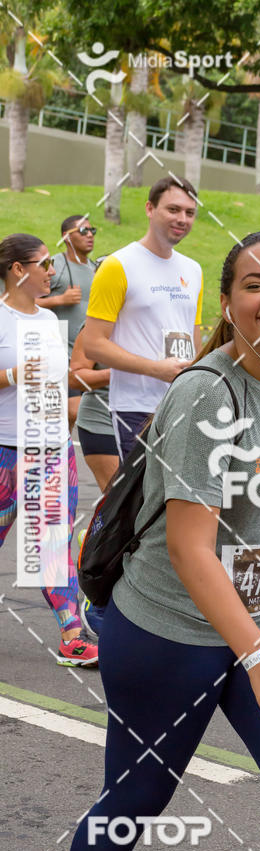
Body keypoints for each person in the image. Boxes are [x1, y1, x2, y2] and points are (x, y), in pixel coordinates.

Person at [62, 232, 260, 851]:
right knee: (132, 806)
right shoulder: (208, 393)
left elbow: (255, 521)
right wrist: (258, 659)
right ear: (227, 303)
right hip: (169, 632)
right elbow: (189, 546)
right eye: (255, 285)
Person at [0, 233, 98, 666]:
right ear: (18, 270)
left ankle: (72, 636)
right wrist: (14, 374)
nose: (53, 271)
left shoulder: (46, 320)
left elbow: (59, 382)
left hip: (54, 451)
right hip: (6, 451)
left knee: (55, 547)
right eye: (45, 264)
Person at [83, 176, 204, 461]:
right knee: (141, 501)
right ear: (150, 209)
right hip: (135, 407)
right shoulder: (117, 265)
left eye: (190, 213)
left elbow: (195, 339)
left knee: (179, 500)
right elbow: (93, 345)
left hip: (183, 404)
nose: (182, 219)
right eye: (173, 209)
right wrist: (155, 369)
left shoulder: (194, 269)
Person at [37, 215, 98, 431]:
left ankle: (60, 454)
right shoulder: (54, 265)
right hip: (59, 352)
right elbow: (25, 301)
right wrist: (59, 300)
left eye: (92, 231)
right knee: (72, 410)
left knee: (68, 418)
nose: (90, 235)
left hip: (87, 356)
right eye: (83, 231)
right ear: (66, 237)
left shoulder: (96, 268)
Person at [69, 323, 118, 493]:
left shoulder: (172, 317)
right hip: (102, 421)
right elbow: (75, 378)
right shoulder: (101, 322)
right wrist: (127, 370)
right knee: (120, 502)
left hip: (155, 424)